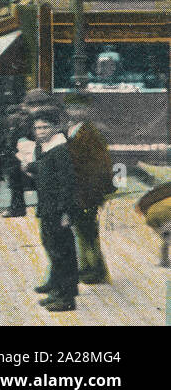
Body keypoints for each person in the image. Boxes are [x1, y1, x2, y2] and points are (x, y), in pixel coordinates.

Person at [25, 105, 79, 312]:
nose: (40, 132)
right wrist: (31, 169)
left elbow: (67, 183)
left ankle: (66, 298)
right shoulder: (43, 148)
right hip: (46, 206)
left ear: (56, 128)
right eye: (37, 128)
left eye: (45, 128)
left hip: (58, 209)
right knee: (52, 247)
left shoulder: (60, 150)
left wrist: (66, 212)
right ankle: (57, 289)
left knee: (62, 252)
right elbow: (45, 173)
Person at [65, 96, 112, 284]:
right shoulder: (72, 129)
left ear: (87, 111)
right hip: (78, 190)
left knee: (89, 231)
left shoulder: (91, 133)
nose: (76, 112)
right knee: (82, 230)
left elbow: (101, 165)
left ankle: (96, 269)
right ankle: (86, 266)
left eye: (80, 108)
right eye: (72, 108)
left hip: (88, 191)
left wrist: (96, 192)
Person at [2, 104, 30, 217]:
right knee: (17, 187)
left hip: (15, 160)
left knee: (15, 186)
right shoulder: (22, 125)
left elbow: (11, 144)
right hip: (17, 158)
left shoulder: (15, 127)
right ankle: (18, 208)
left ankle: (16, 209)